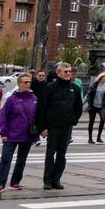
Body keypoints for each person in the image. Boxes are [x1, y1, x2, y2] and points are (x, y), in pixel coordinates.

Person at [36, 62, 82, 190]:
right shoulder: (50, 88)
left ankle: (57, 179)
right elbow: (42, 108)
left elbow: (78, 106)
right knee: (50, 153)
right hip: (52, 126)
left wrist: (74, 120)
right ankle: (47, 180)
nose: (68, 74)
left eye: (69, 71)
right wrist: (43, 127)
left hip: (66, 126)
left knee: (62, 155)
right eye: (65, 71)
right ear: (58, 73)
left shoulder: (75, 88)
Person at [0, 72, 38, 191]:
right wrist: (3, 133)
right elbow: (4, 116)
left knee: (21, 161)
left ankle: (15, 182)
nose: (28, 84)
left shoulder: (34, 99)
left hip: (27, 135)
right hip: (11, 135)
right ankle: (0, 183)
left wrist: (37, 133)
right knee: (5, 159)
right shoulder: (12, 99)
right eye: (25, 82)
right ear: (19, 84)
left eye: (29, 82)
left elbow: (37, 117)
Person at [85, 70, 105, 144]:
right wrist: (90, 103)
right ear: (101, 77)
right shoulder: (94, 85)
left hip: (101, 106)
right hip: (93, 105)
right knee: (91, 122)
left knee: (103, 119)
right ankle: (90, 138)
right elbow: (89, 95)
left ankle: (98, 137)